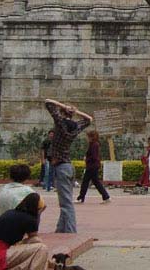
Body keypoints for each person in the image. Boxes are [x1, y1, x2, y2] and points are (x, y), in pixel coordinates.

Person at [44, 98, 93, 233]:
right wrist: (75, 111)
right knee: (65, 201)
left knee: (66, 204)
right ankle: (60, 229)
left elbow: (48, 102)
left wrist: (63, 106)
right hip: (68, 167)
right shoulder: (75, 127)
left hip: (61, 167)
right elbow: (89, 119)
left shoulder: (60, 125)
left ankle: (71, 231)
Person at [0, 192, 49, 270]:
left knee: (32, 244)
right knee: (41, 248)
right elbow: (35, 238)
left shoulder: (9, 212)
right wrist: (39, 214)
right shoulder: (30, 219)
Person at [77, 130, 111, 204]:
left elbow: (94, 156)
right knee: (96, 182)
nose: (87, 138)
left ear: (91, 137)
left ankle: (81, 197)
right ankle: (106, 196)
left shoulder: (95, 145)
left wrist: (87, 159)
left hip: (92, 166)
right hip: (93, 166)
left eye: (88, 137)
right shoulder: (93, 144)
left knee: (86, 182)